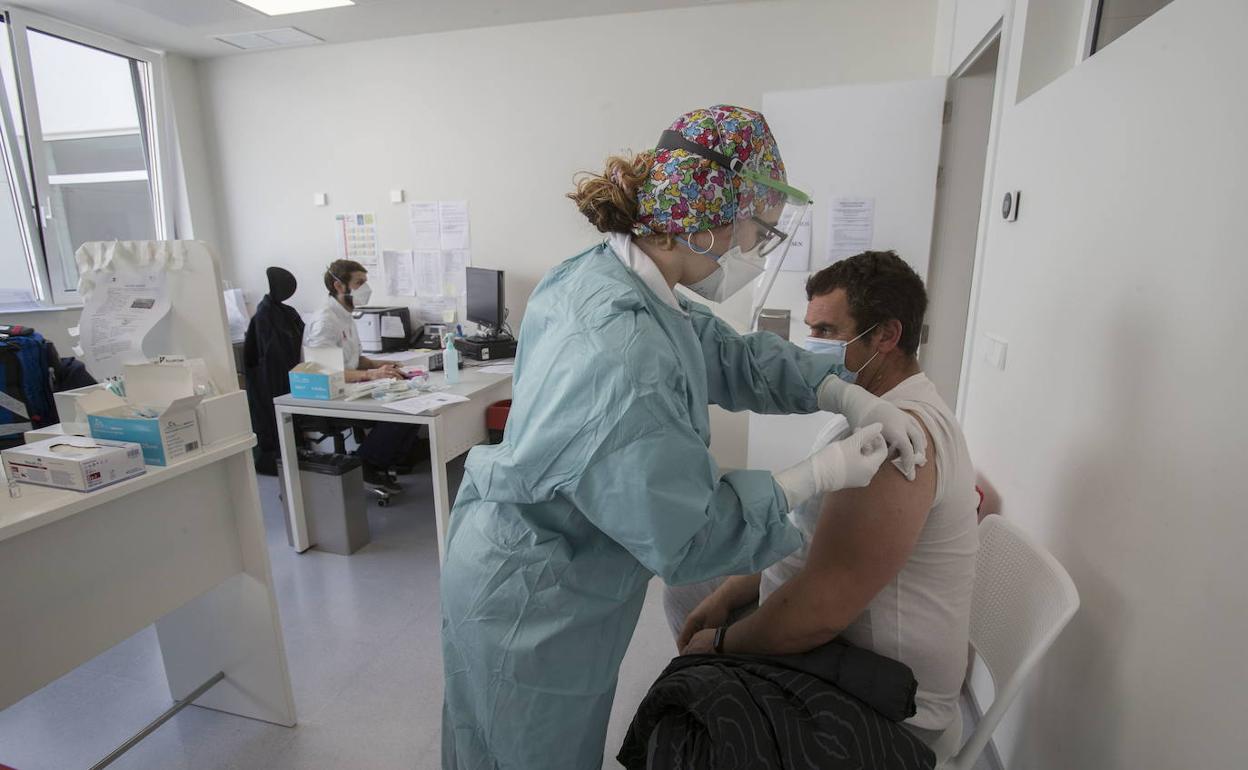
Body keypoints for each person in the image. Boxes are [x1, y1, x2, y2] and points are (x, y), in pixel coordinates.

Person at [440, 106, 929, 770]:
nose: (749, 251)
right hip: (535, 594)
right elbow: (688, 534)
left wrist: (839, 388)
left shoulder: (624, 282)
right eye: (753, 229)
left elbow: (726, 355)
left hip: (549, 563)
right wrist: (814, 475)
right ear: (704, 217)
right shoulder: (620, 352)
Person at [667, 250, 980, 751]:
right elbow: (803, 536)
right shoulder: (863, 412)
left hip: (880, 698)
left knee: (683, 706)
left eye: (830, 333)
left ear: (886, 336)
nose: (812, 348)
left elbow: (820, 611)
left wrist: (721, 646)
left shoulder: (900, 439)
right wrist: (729, 595)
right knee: (690, 592)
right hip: (835, 643)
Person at [303, 259, 423, 487]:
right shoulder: (325, 321)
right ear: (339, 286)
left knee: (414, 407)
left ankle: (379, 463)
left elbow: (356, 360)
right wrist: (372, 375)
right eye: (359, 283)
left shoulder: (346, 315)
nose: (365, 289)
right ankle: (364, 464)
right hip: (329, 399)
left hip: (351, 387)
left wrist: (385, 364)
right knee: (399, 414)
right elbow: (322, 373)